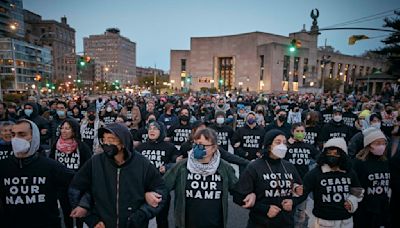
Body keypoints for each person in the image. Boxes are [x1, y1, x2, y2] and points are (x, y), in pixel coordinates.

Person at [69, 123, 166, 228]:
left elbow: (161, 191)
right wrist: (91, 218)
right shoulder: (95, 162)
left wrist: (141, 215)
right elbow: (76, 188)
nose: (106, 143)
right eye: (104, 140)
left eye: (111, 139)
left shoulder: (142, 164)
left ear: (123, 142)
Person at [163, 128, 255, 228]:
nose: (198, 148)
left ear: (214, 148)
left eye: (203, 145)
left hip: (214, 223)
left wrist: (250, 194)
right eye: (196, 144)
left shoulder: (224, 168)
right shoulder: (182, 167)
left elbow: (237, 190)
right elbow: (162, 187)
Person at [0, 119, 74, 228]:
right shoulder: (3, 167)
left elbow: (78, 183)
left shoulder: (50, 166)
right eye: (13, 134)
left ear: (33, 137)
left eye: (22, 134)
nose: (16, 139)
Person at [233, 129, 303, 228]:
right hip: (261, 222)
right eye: (278, 142)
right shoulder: (255, 167)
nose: (282, 146)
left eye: (284, 143)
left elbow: (301, 191)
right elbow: (238, 197)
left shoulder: (289, 166)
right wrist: (264, 209)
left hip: (286, 222)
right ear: (269, 145)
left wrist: (293, 202)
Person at [301, 138, 364, 228]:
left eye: (336, 153)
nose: (332, 156)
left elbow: (358, 190)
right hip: (323, 221)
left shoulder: (349, 172)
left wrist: (352, 201)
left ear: (342, 155)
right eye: (329, 153)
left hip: (345, 221)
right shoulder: (316, 172)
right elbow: (303, 191)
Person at [49, 118, 92, 228]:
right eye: (62, 128)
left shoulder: (82, 146)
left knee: (78, 213)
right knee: (66, 211)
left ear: (74, 131)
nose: (63, 131)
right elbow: (51, 163)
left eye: (67, 128)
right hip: (61, 185)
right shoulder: (56, 145)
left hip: (77, 185)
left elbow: (88, 165)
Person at [135, 121, 177, 228]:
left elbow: (178, 163)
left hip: (161, 188)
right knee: (141, 219)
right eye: (150, 128)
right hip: (142, 188)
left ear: (161, 131)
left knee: (162, 220)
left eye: (155, 128)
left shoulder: (170, 147)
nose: (151, 130)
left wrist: (167, 167)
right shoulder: (140, 148)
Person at [352, 128, 390, 228]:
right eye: (377, 143)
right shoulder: (359, 163)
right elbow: (354, 185)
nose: (382, 146)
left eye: (383, 143)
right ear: (369, 145)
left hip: (382, 209)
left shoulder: (385, 162)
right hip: (364, 210)